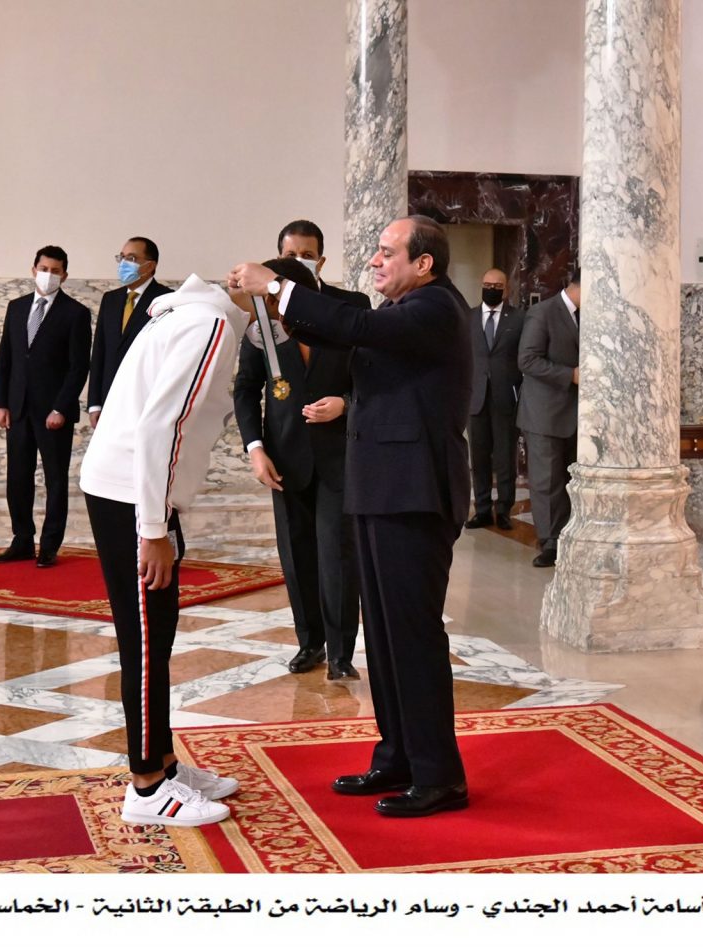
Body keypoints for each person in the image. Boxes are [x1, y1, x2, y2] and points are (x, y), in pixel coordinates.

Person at [229, 214, 472, 818]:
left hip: (414, 495)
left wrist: (276, 286)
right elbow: (342, 332)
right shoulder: (399, 310)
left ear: (424, 263)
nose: (374, 261)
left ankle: (439, 775)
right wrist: (275, 307)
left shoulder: (437, 307)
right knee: (384, 637)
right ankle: (397, 756)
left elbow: (353, 324)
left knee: (412, 635)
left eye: (387, 252)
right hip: (379, 490)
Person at [80, 274, 247, 827]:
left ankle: (165, 763)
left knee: (159, 631)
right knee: (147, 640)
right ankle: (147, 786)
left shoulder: (191, 313)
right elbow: (163, 424)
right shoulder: (212, 323)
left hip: (134, 489)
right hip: (132, 494)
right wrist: (152, 528)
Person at [234, 256, 360, 680]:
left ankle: (341, 653)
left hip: (339, 457)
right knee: (296, 553)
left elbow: (372, 383)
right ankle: (311, 642)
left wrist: (345, 404)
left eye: (271, 299)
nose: (268, 311)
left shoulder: (343, 320)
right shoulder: (262, 330)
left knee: (337, 555)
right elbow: (246, 390)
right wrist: (255, 449)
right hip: (284, 459)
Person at [0, 245, 91, 568]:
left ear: (64, 275)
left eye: (55, 271)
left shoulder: (76, 313)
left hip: (53, 414)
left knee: (55, 480)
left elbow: (79, 367)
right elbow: (6, 358)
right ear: (34, 270)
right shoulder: (16, 307)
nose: (49, 275)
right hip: (17, 409)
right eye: (44, 269)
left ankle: (49, 545)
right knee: (18, 478)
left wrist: (61, 407)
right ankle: (21, 540)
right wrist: (0, 403)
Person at [516, 268, 581, 567]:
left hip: (576, 414)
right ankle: (550, 542)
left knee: (569, 479)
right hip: (544, 413)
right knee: (547, 481)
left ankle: (570, 536)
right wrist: (570, 375)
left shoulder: (587, 315)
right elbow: (527, 360)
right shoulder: (542, 313)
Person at [87, 237, 172, 428]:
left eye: (131, 258)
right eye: (122, 257)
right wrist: (94, 403)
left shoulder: (167, 299)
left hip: (145, 401)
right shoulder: (110, 299)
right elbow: (100, 351)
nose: (124, 264)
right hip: (109, 399)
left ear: (150, 265)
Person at [465, 268, 525, 531]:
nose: (491, 289)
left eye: (497, 286)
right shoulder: (468, 317)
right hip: (475, 397)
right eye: (487, 284)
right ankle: (482, 509)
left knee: (505, 458)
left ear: (506, 290)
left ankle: (503, 510)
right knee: (478, 458)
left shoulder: (519, 318)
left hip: (505, 397)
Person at [276, 218, 372, 309]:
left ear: (320, 263)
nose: (298, 263)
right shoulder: (269, 303)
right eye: (291, 255)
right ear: (279, 262)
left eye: (307, 255)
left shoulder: (354, 304)